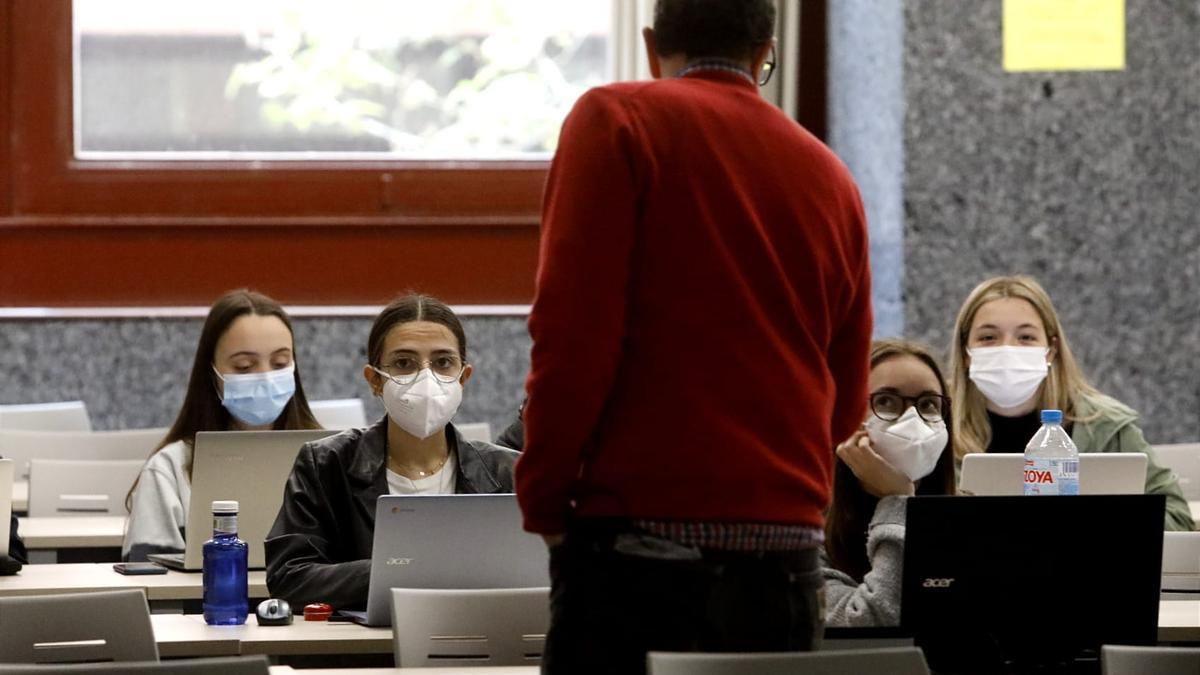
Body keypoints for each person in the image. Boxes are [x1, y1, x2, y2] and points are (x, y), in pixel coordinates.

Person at [514, 0, 873, 670]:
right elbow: (846, 402)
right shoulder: (832, 177)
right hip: (787, 566)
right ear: (765, 52)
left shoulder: (615, 120)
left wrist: (543, 500)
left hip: (640, 556)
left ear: (652, 49)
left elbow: (572, 338)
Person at [264, 294, 520, 610]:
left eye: (442, 362)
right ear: (374, 380)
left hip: (480, 642)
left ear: (463, 377)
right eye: (403, 363)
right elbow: (290, 576)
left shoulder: (506, 473)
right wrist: (399, 572)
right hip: (363, 651)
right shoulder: (325, 465)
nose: (426, 378)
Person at [949, 275, 1193, 530]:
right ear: (965, 351)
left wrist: (1095, 525)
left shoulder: (1106, 426)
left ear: (1051, 350)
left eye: (1026, 337)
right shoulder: (936, 431)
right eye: (988, 337)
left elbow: (1177, 518)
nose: (1008, 349)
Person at [122, 290, 322, 561]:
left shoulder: (326, 458)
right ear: (212, 373)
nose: (265, 377)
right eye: (243, 366)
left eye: (279, 363)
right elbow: (149, 576)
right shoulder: (170, 468)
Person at [823, 340, 956, 627]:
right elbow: (870, 625)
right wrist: (897, 502)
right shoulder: (812, 539)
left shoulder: (967, 523)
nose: (911, 419)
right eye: (885, 401)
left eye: (928, 404)